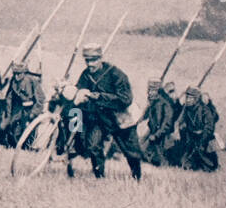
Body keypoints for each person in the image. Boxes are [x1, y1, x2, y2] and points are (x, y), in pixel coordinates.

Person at [73, 44, 143, 180]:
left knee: (131, 152)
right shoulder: (86, 74)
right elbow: (79, 89)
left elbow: (126, 99)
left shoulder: (116, 74)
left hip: (121, 118)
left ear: (100, 58)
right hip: (100, 118)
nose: (90, 64)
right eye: (87, 60)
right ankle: (99, 177)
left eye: (93, 60)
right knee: (93, 146)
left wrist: (99, 96)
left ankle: (137, 178)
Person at [166, 86, 219, 172]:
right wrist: (178, 130)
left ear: (196, 99)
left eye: (190, 98)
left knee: (207, 161)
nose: (188, 100)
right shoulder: (186, 108)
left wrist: (202, 141)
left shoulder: (205, 110)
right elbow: (179, 121)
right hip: (191, 137)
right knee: (185, 158)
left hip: (204, 137)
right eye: (187, 97)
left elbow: (209, 127)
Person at [139, 79, 177, 166]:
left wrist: (156, 135)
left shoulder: (165, 105)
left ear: (158, 91)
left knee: (161, 160)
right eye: (149, 90)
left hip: (162, 136)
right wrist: (139, 120)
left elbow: (167, 124)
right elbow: (145, 115)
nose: (150, 92)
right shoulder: (153, 103)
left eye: (152, 90)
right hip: (153, 133)